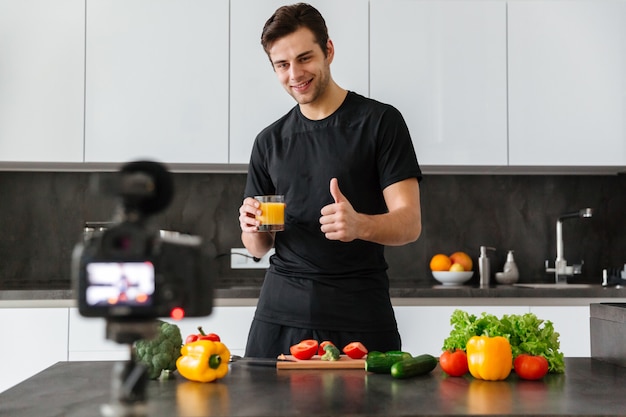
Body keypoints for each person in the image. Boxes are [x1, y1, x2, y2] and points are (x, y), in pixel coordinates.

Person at [238, 3, 422, 358]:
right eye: (282, 65)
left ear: (328, 51)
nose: (295, 73)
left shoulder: (380, 123)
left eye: (305, 58)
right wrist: (253, 227)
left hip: (360, 317)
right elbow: (258, 247)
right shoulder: (269, 141)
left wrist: (360, 224)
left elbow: (410, 222)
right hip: (278, 318)